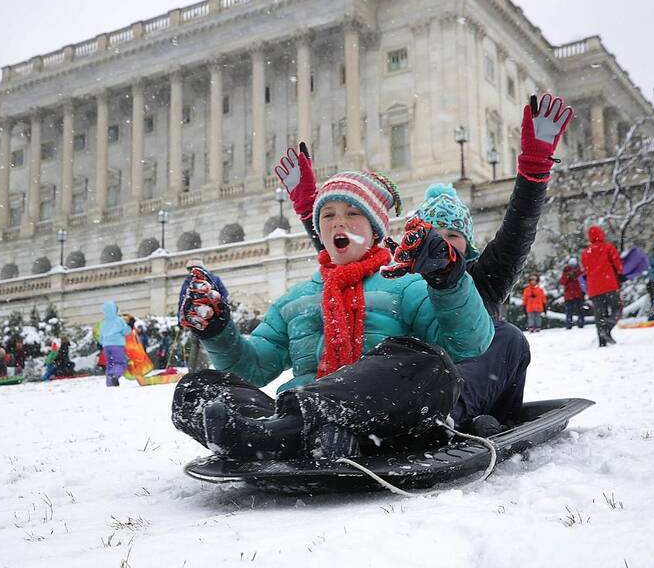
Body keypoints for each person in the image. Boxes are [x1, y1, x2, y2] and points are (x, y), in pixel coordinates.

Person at [272, 94, 572, 433]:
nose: (443, 241)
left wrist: (534, 170)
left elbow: (518, 232)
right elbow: (349, 251)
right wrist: (312, 207)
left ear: (468, 244)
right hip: (416, 393)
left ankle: (458, 418)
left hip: (466, 392)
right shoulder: (402, 275)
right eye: (435, 234)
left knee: (508, 337)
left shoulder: (484, 276)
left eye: (453, 234)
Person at [172, 170, 496, 459]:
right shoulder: (296, 300)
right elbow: (252, 368)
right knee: (196, 388)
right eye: (328, 215)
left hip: (386, 425)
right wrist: (216, 330)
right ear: (320, 230)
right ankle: (299, 433)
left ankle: (274, 436)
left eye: (353, 213)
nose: (339, 222)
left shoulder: (405, 286)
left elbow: (467, 344)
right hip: (297, 411)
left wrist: (448, 281)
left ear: (374, 230)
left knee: (428, 364)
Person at [580, 225, 624, 347]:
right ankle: (607, 327)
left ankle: (602, 342)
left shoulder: (585, 252)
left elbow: (584, 269)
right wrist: (620, 273)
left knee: (600, 315)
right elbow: (617, 262)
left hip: (594, 288)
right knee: (618, 308)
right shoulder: (608, 247)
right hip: (609, 285)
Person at [99, 301, 131, 387]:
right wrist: (129, 326)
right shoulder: (119, 320)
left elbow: (100, 337)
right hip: (117, 345)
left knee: (110, 364)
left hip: (106, 346)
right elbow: (126, 331)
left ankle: (110, 383)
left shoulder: (103, 323)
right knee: (120, 363)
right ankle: (115, 375)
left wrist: (104, 343)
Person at [558, 259, 587, 329]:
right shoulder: (566, 271)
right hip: (569, 295)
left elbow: (583, 282)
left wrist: (584, 291)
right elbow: (562, 282)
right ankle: (569, 324)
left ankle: (580, 323)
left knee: (580, 310)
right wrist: (568, 275)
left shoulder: (580, 272)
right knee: (569, 311)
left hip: (578, 294)